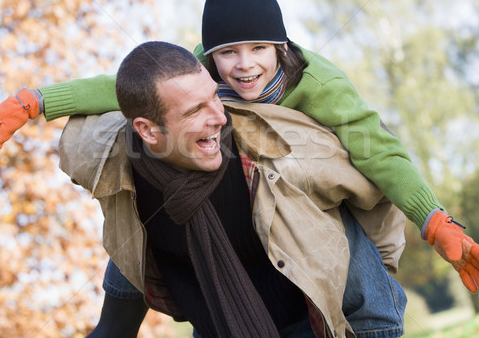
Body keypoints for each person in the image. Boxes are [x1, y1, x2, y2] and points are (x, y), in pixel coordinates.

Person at [0, 0, 479, 334]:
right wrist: (37, 101)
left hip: (313, 191)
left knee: (345, 215)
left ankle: (372, 317)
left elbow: (379, 150)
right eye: (227, 53)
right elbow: (124, 87)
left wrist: (433, 219)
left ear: (280, 47)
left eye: (259, 48)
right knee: (142, 180)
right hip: (234, 186)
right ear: (208, 56)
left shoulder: (317, 83)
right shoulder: (200, 75)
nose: (244, 66)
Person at [58, 40, 409, 337]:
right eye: (196, 110)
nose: (220, 116)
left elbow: (373, 301)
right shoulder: (134, 199)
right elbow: (113, 328)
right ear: (148, 132)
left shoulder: (277, 165)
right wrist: (41, 100)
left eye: (214, 96)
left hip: (314, 325)